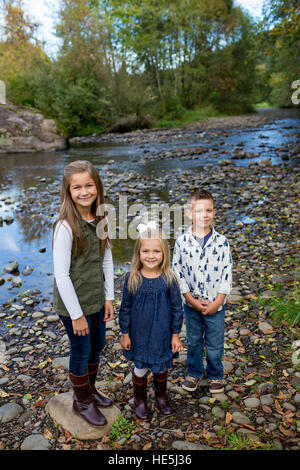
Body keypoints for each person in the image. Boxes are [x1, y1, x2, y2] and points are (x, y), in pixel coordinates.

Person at [53, 160, 114, 427]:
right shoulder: (65, 227)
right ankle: (81, 401)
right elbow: (61, 275)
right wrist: (77, 316)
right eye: (76, 187)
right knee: (81, 349)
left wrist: (109, 297)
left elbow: (107, 260)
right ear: (68, 191)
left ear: (97, 187)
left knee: (98, 345)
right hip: (73, 305)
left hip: (95, 299)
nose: (84, 192)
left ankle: (90, 390)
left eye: (89, 185)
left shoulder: (101, 218)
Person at [119, 223, 183, 421]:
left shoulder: (169, 278)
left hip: (162, 335)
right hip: (139, 335)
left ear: (164, 254)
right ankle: (139, 400)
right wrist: (125, 333)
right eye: (145, 251)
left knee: (161, 368)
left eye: (156, 251)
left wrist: (175, 334)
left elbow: (176, 308)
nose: (151, 255)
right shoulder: (132, 278)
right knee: (140, 369)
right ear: (138, 253)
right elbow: (125, 307)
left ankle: (161, 397)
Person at [172, 189, 232, 394]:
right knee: (194, 340)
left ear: (214, 212)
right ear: (189, 213)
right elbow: (177, 272)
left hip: (216, 303)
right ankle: (194, 372)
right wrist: (190, 299)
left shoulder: (222, 243)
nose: (204, 215)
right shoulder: (181, 242)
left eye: (208, 210)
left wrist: (217, 302)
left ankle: (216, 374)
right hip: (191, 304)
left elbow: (227, 274)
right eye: (199, 211)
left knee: (215, 343)